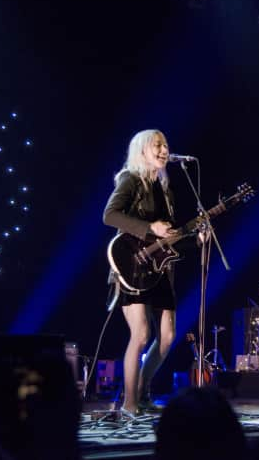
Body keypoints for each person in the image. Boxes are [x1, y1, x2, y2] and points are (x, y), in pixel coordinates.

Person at [103, 129, 191, 417]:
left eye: (166, 144)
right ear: (142, 150)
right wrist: (148, 228)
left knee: (166, 337)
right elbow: (110, 215)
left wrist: (192, 234)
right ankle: (129, 404)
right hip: (133, 266)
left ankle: (141, 391)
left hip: (161, 270)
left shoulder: (164, 188)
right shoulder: (130, 179)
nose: (164, 149)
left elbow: (167, 236)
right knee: (140, 334)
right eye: (158, 145)